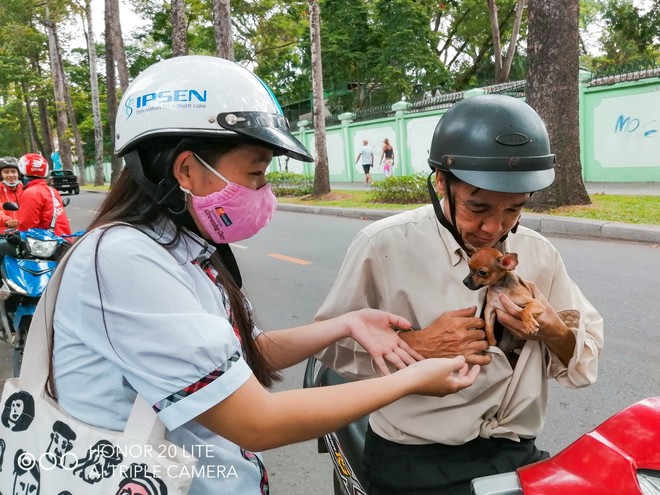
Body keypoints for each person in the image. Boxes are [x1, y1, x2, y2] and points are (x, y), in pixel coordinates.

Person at [51, 55, 480, 495]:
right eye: (255, 172)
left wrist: (346, 324)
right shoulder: (124, 258)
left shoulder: (183, 249)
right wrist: (409, 380)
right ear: (186, 170)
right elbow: (255, 422)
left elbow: (245, 352)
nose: (263, 191)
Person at [315, 94, 604, 495]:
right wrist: (415, 345)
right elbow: (329, 349)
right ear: (440, 183)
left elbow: (583, 361)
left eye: (513, 210)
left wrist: (554, 331)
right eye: (477, 207)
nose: (493, 228)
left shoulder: (538, 253)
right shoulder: (383, 247)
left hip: (515, 453)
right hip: (413, 460)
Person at [16, 153, 72, 236]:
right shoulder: (52, 190)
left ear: (21, 174)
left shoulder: (30, 193)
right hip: (64, 239)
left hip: (46, 244)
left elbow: (27, 226)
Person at [0, 157, 23, 234]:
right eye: (6, 172)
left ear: (18, 173)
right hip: (4, 233)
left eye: (13, 172)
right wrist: (7, 220)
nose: (10, 175)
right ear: (1, 175)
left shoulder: (25, 189)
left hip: (24, 230)